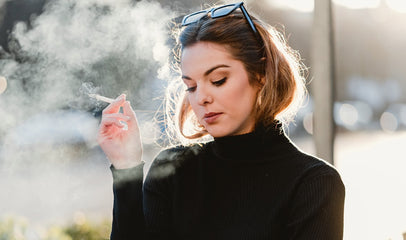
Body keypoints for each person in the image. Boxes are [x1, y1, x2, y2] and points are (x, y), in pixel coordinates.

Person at [97, 2, 345, 239]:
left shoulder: (313, 184)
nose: (202, 98)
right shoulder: (172, 169)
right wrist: (126, 168)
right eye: (191, 86)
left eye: (218, 80)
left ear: (260, 75)